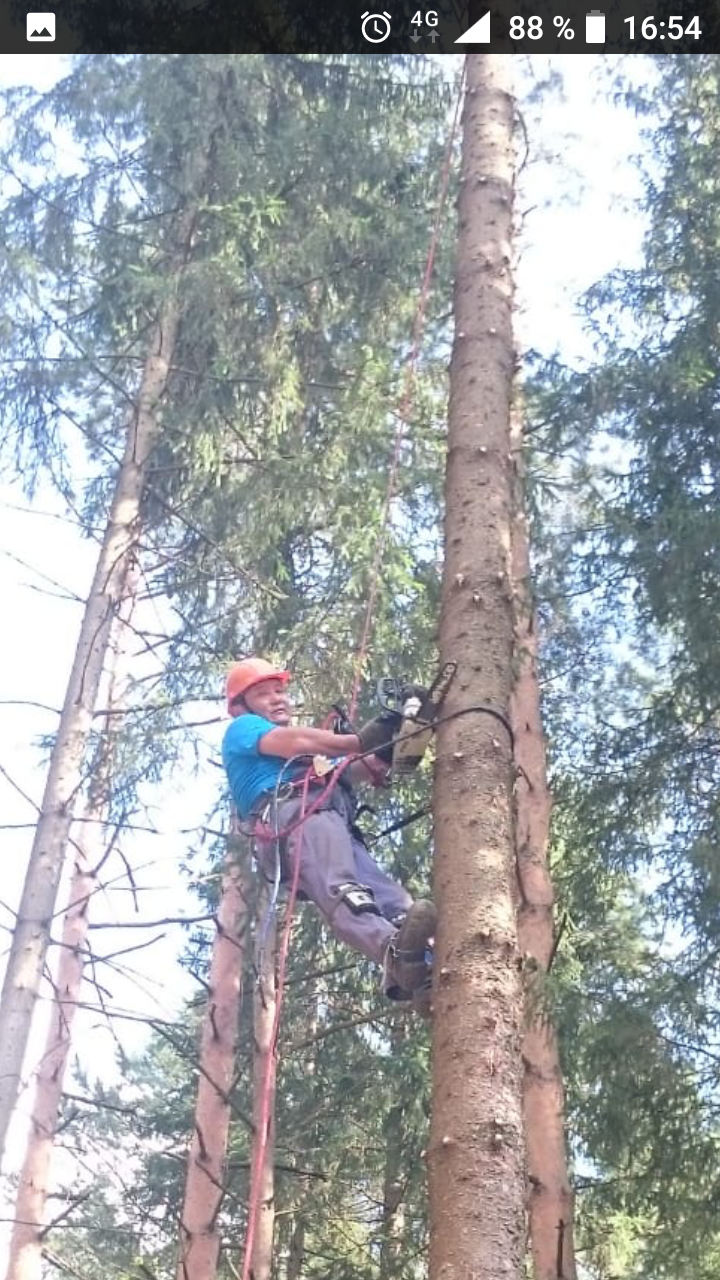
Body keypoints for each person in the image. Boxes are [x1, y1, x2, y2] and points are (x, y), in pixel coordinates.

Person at [222, 657, 436, 1007]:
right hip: (295, 817)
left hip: (331, 823)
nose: (277, 699)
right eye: (263, 694)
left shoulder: (312, 758)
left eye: (279, 691)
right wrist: (358, 740)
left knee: (397, 903)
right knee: (344, 890)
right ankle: (393, 954)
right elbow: (297, 741)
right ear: (241, 706)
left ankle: (422, 971)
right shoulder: (244, 729)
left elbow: (363, 767)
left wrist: (402, 732)